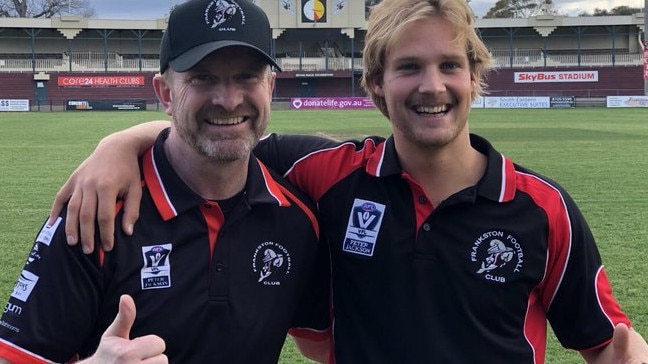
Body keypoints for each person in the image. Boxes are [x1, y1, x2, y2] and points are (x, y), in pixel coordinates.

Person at [46, 0, 648, 362]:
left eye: (450, 66)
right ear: (375, 86)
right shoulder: (326, 174)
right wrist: (119, 144)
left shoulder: (542, 209)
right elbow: (220, 135)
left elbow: (605, 341)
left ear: (475, 77)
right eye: (409, 67)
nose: (432, 86)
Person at [0, 0, 331, 363]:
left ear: (270, 87)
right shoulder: (94, 212)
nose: (228, 99)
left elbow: (319, 345)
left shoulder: (298, 220)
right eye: (202, 77)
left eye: (247, 76)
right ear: (165, 94)